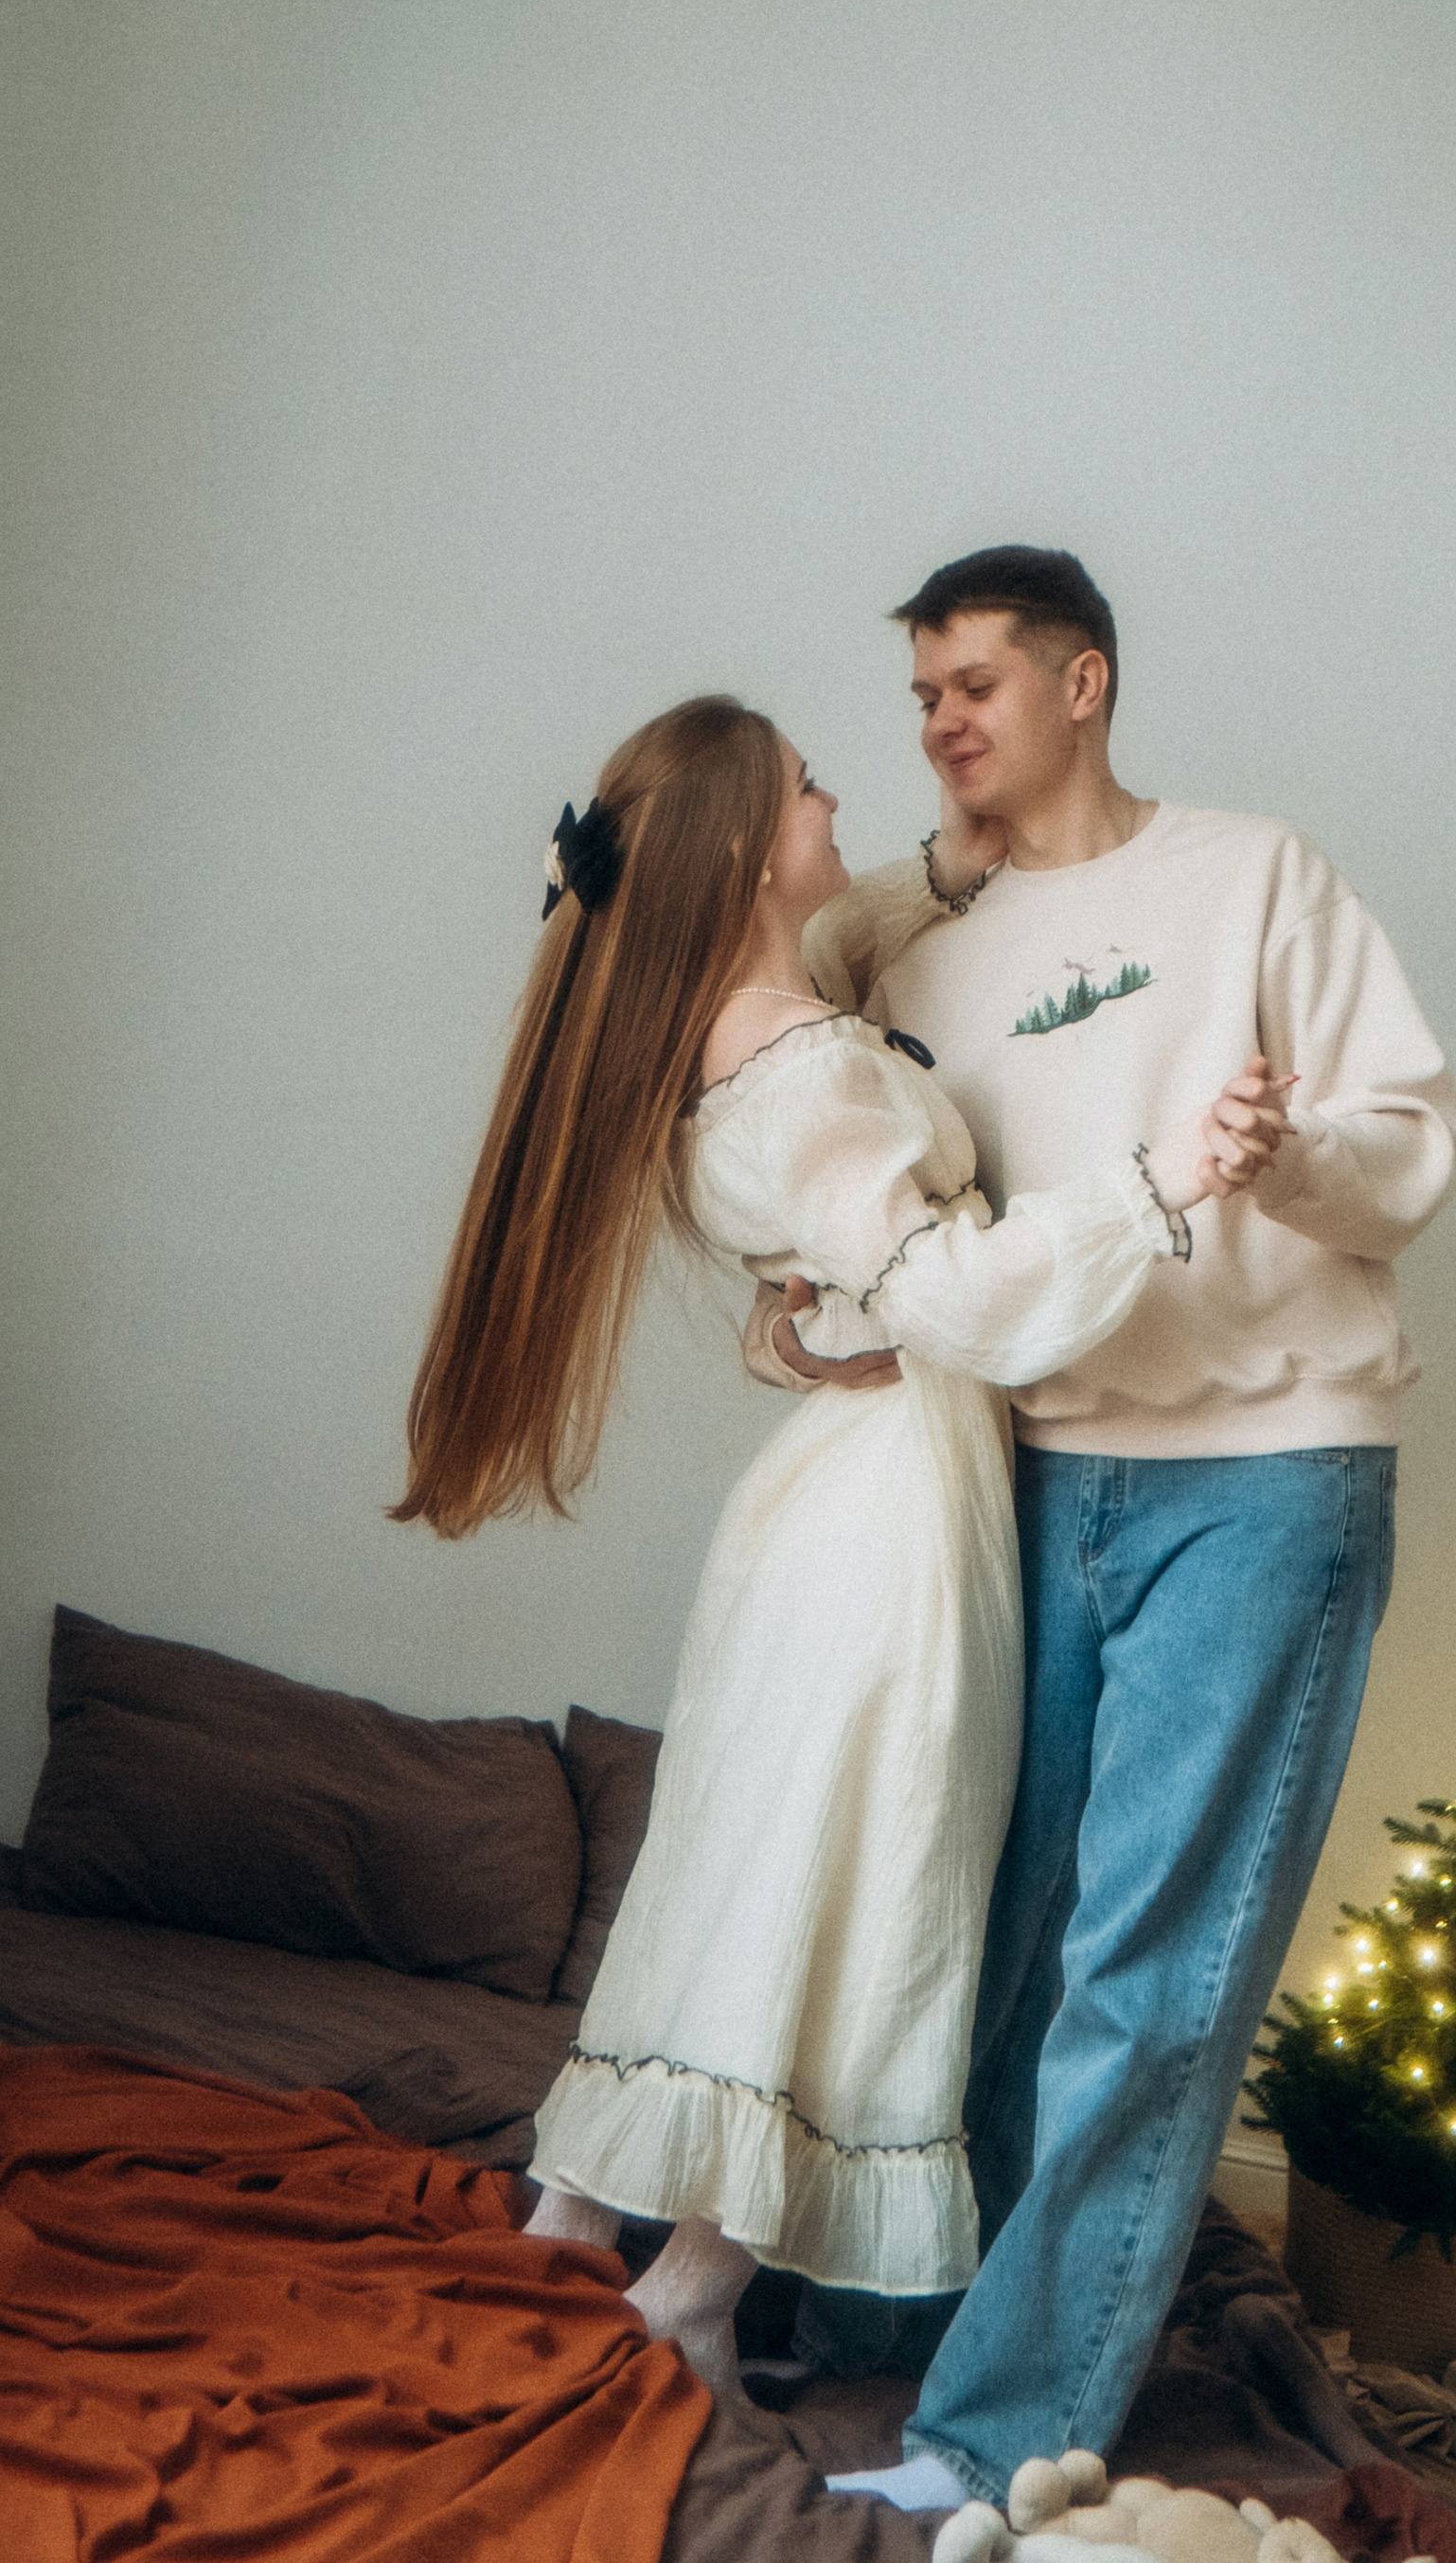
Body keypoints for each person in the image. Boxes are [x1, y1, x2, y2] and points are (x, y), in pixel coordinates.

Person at [390, 692, 1269, 2395]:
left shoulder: (731, 1026)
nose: (832, 797)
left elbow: (836, 1219)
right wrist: (1156, 1185)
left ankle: (576, 2216)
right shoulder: (797, 1058)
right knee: (853, 1882)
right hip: (892, 1518)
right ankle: (694, 2288)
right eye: (804, 787)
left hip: (830, 1500)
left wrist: (949, 863)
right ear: (739, 848)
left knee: (745, 1865)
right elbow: (952, 1295)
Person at [743, 547, 1456, 2511]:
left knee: (1152, 1971)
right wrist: (796, 1313)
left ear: (1085, 682)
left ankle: (1001, 2436)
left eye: (974, 684)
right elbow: (822, 1151)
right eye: (920, 696)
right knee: (979, 1932)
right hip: (1028, 1472)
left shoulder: (1257, 875)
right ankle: (893, 2322)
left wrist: (1283, 1153)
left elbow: (1410, 1154)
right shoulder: (914, 942)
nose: (940, 723)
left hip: (1268, 1478)